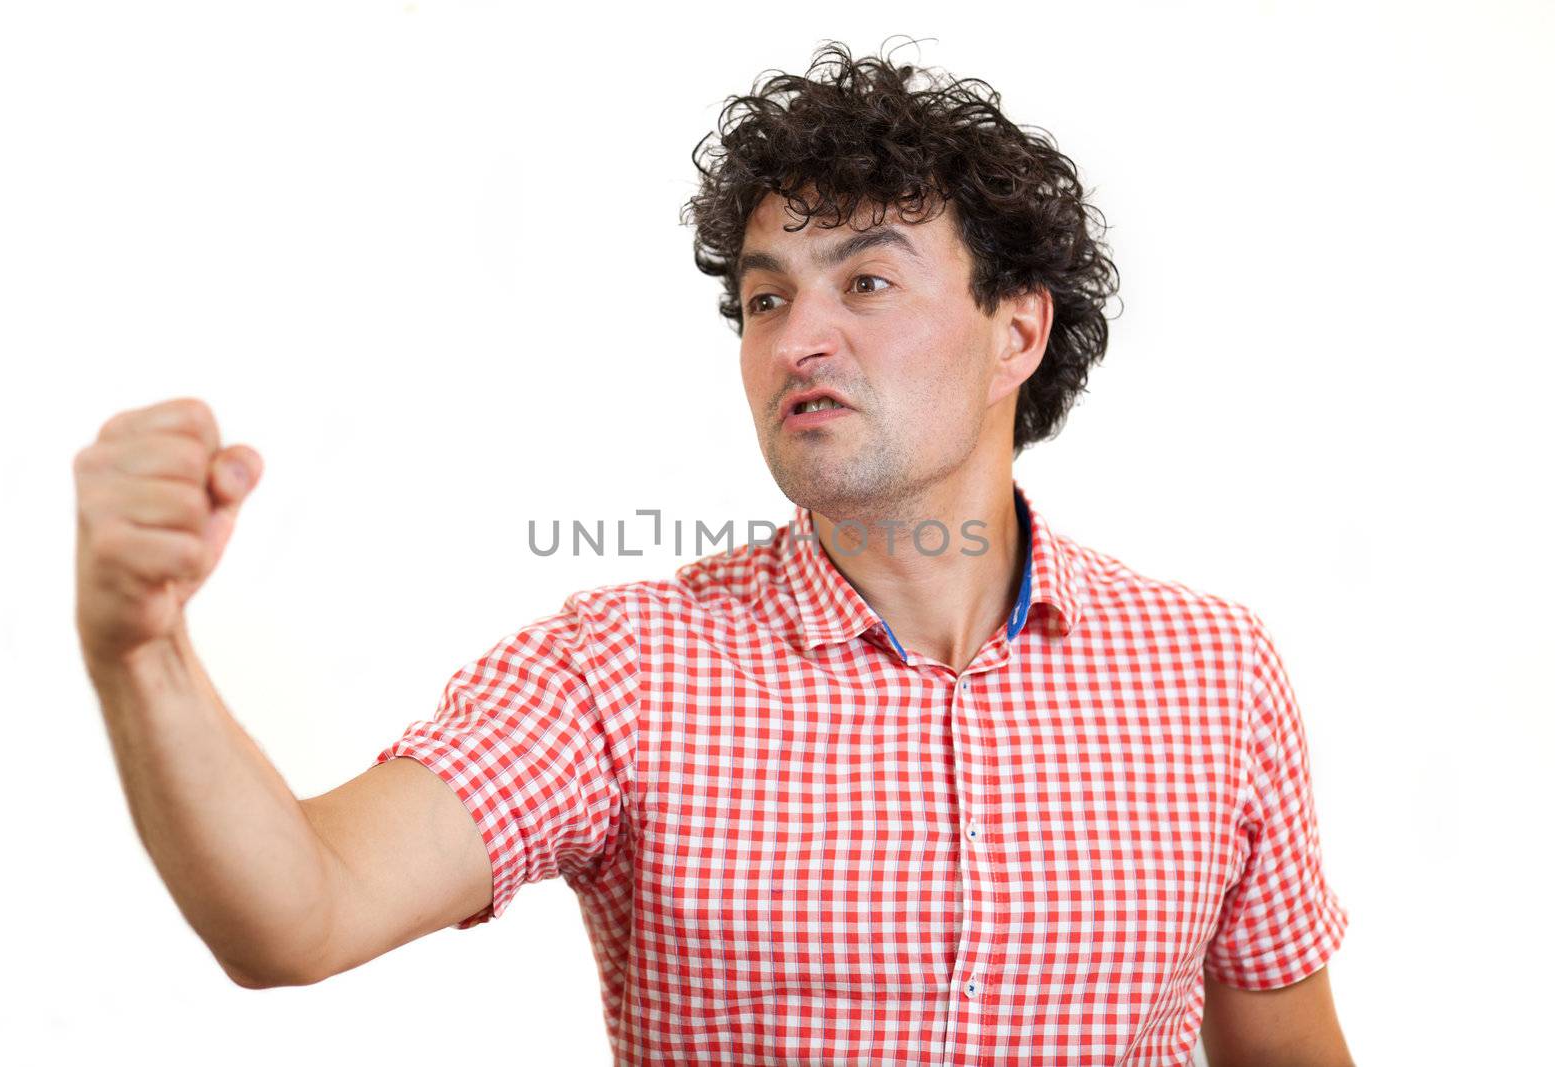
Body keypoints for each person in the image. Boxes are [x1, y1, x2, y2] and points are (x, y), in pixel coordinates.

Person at [73, 39, 1354, 1067]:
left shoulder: (1212, 672)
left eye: (864, 282)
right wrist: (140, 647)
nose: (797, 336)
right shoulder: (621, 670)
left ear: (1015, 331)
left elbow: (1288, 1051)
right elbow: (300, 909)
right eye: (763, 295)